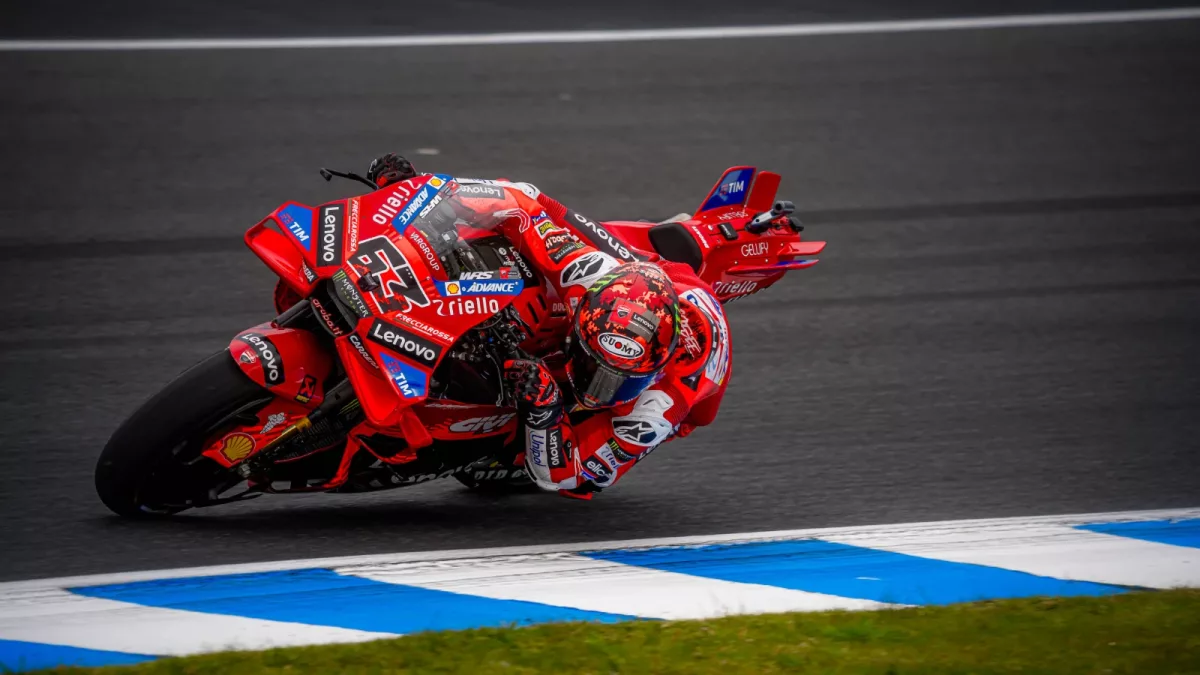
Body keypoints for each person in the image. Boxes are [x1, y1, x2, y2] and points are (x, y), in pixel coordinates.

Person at [367, 154, 732, 500]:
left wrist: (545, 411)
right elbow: (520, 200)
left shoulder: (660, 406)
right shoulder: (585, 275)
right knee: (519, 243)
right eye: (592, 368)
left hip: (689, 367)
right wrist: (416, 194)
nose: (596, 390)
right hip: (644, 277)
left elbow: (570, 477)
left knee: (576, 466)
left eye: (620, 381)